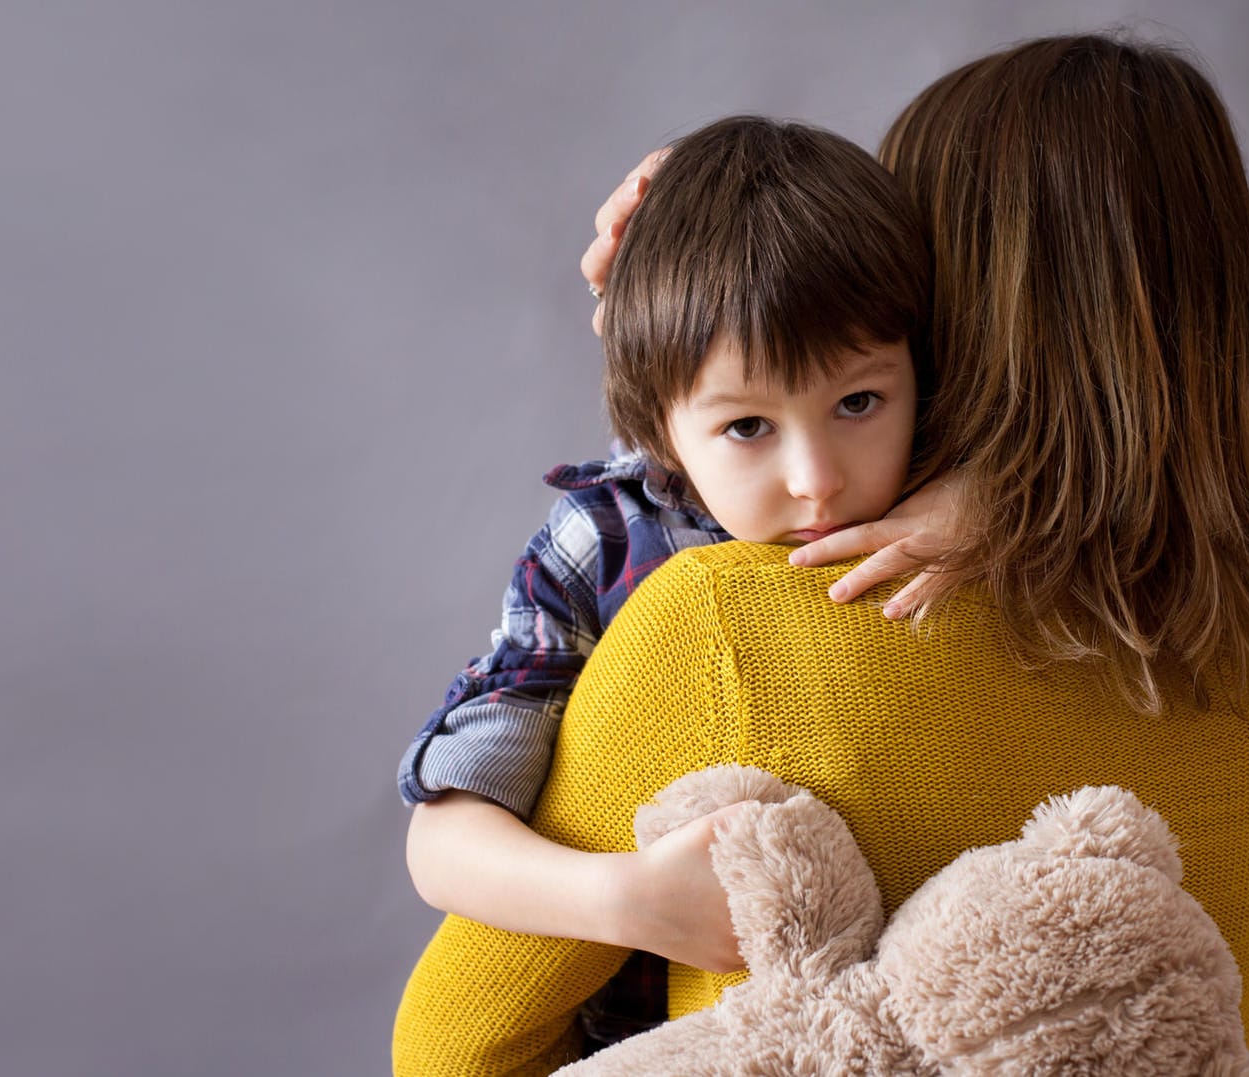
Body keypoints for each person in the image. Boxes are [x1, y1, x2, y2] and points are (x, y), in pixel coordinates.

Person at [396, 33, 1249, 1076]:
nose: (815, 476)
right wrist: (701, 247)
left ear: (945, 299)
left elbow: (453, 1046)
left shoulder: (732, 625)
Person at [397, 115, 936, 1045]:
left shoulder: (938, 495)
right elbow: (444, 839)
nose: (817, 478)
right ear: (659, 426)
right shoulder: (610, 544)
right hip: (649, 1036)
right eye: (748, 427)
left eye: (859, 402)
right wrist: (631, 899)